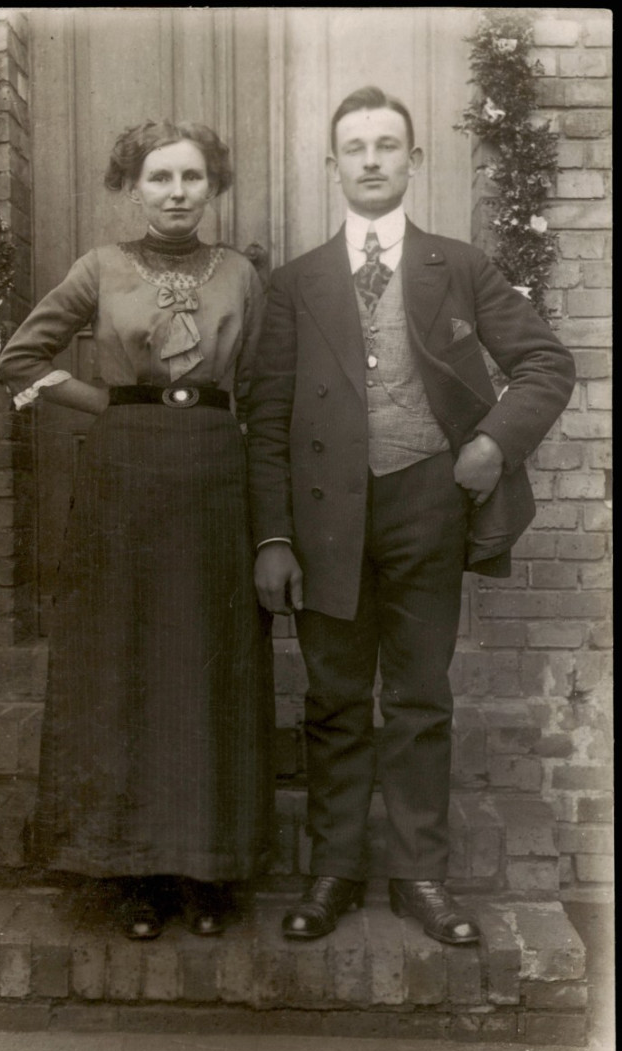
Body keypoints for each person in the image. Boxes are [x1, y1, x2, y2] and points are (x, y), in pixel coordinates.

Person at [246, 87, 575, 944]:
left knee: (421, 696)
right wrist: (275, 536)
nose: (369, 160)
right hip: (324, 520)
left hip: (426, 506)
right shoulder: (293, 284)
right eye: (353, 147)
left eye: (386, 146)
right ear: (332, 164)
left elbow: (544, 362)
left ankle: (420, 874)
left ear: (412, 160)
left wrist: (492, 444)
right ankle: (334, 869)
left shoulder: (458, 267)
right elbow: (269, 419)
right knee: (334, 698)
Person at [0, 119, 273, 940]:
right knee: (125, 663)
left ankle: (210, 871)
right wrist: (105, 406)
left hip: (215, 478)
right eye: (159, 179)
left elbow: (259, 389)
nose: (176, 194)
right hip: (122, 478)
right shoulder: (99, 268)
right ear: (132, 186)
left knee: (206, 668)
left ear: (212, 187)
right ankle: (133, 874)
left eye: (191, 178)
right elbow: (21, 356)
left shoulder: (242, 277)